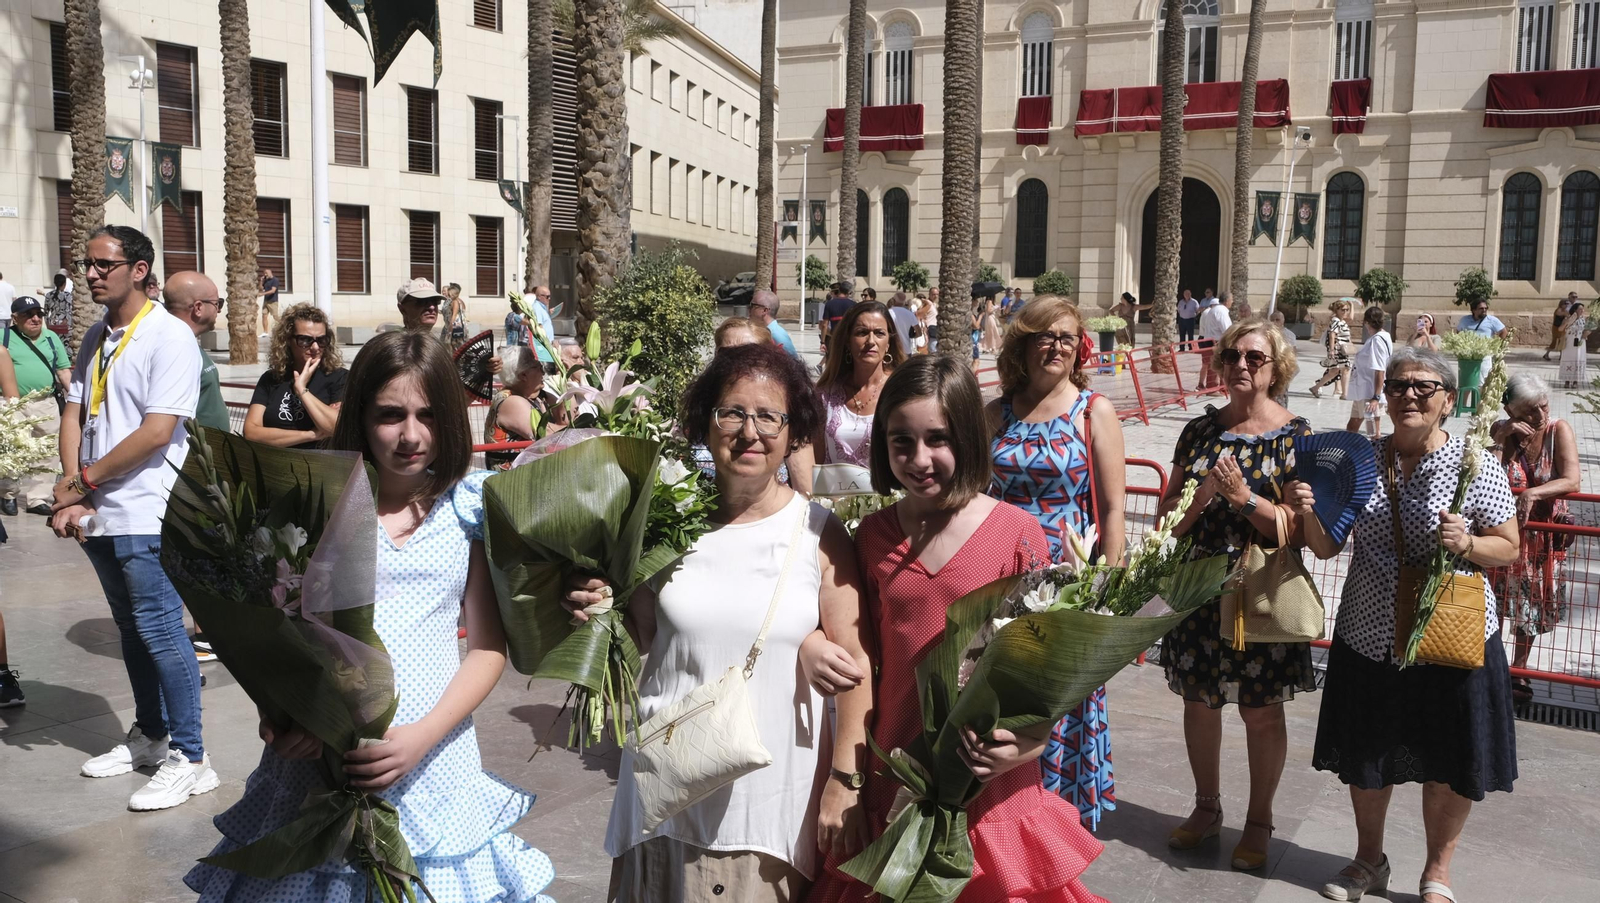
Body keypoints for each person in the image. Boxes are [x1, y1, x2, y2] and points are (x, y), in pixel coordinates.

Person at [186, 330, 559, 901]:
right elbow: (273, 633)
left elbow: (486, 647)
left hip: (434, 754)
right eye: (390, 415)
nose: (411, 435)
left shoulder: (471, 507)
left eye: (429, 415)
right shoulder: (316, 501)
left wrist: (421, 738)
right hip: (320, 759)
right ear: (359, 414)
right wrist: (282, 716)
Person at [566, 343, 871, 900]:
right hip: (658, 796)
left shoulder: (817, 534)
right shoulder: (663, 521)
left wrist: (844, 781)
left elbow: (856, 667)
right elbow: (644, 640)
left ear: (793, 430)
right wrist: (595, 603)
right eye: (731, 412)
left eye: (768, 416)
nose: (748, 431)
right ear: (706, 423)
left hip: (760, 817)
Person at [805, 355, 1109, 903]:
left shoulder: (1017, 534)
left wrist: (1026, 747)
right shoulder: (871, 537)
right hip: (895, 774)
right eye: (901, 441)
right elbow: (857, 654)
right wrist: (810, 645)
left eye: (938, 439)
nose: (919, 459)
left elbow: (1046, 677)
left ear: (968, 436)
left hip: (989, 787)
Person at [1299, 346, 1519, 903]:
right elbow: (1326, 548)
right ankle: (1369, 861)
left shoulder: (1476, 465)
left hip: (1452, 639)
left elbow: (1509, 547)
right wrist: (1308, 511)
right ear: (1385, 394)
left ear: (1447, 400)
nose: (1410, 396)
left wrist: (1468, 542)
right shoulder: (1361, 462)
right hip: (1370, 635)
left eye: (1424, 387)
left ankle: (1437, 872)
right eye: (1398, 386)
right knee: (1369, 754)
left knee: (1447, 758)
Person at [49, 225, 214, 810]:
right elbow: (75, 413)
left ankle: (192, 758)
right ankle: (150, 735)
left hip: (148, 508)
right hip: (98, 509)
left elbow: (156, 432)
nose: (89, 274)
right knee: (131, 630)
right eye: (86, 263)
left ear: (138, 269)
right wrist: (75, 492)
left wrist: (83, 483)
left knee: (164, 631)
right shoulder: (95, 335)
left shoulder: (170, 337)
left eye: (101, 264)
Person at [1158, 318, 1315, 871]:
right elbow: (1165, 520)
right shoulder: (1198, 433)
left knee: (1261, 711)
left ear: (1277, 368)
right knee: (1199, 701)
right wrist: (1202, 496)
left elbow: (1297, 529)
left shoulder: (1296, 434)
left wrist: (1244, 497)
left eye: (1255, 357)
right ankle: (1206, 808)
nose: (1241, 366)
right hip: (1198, 586)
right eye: (1232, 356)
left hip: (1258, 590)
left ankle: (1259, 821)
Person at [986, 295, 1126, 830]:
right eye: (1045, 335)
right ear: (1022, 344)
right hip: (1002, 578)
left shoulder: (1094, 411)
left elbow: (1113, 508)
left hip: (1069, 580)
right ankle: (1005, 813)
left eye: (1067, 337)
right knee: (1003, 693)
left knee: (1059, 699)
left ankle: (1058, 819)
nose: (1057, 346)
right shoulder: (995, 412)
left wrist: (1105, 592)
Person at [1489, 374, 1580, 703]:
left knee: (1531, 606)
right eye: (1530, 411)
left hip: (1542, 540)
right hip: (1504, 533)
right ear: (1511, 411)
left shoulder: (1559, 431)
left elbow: (1572, 480)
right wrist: (1501, 439)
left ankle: (1520, 670)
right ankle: (1491, 665)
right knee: (1495, 602)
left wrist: (1531, 494)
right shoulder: (1504, 432)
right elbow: (1489, 475)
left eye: (1543, 406)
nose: (1539, 416)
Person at [1, 297, 70, 516]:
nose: (35, 318)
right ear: (14, 318)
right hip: (12, 404)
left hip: (46, 404)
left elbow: (63, 371)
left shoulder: (51, 338)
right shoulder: (4, 337)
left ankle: (38, 498)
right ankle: (8, 494)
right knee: (13, 450)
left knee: (49, 451)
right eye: (28, 314)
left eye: (38, 314)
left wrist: (79, 399)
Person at [245, 303, 347, 448]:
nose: (315, 347)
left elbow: (334, 427)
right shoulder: (271, 379)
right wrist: (310, 435)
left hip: (321, 466)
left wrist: (301, 390)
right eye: (305, 340)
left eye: (321, 340)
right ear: (287, 340)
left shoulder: (339, 378)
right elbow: (251, 433)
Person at [815, 300, 903, 467]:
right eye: (862, 333)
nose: (871, 341)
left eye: (879, 333)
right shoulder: (825, 394)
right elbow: (816, 459)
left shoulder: (903, 391)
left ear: (889, 343)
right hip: (833, 492)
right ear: (848, 341)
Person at [160, 273, 229, 433]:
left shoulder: (188, 341)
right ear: (198, 308)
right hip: (192, 454)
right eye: (217, 303)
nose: (219, 310)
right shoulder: (173, 349)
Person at [1345, 306, 1392, 437]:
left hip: (1370, 393)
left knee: (1373, 433)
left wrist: (1375, 398)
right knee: (1351, 427)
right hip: (1362, 391)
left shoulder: (1377, 340)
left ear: (1366, 322)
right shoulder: (1379, 337)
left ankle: (1378, 457)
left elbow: (1380, 370)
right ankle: (1349, 455)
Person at [1310, 299, 1354, 398]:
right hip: (1338, 349)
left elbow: (1350, 318)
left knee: (1338, 370)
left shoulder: (1341, 320)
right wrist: (1332, 350)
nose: (1345, 312)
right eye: (1343, 310)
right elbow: (1332, 335)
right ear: (1337, 310)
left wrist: (1351, 305)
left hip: (1342, 349)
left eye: (1347, 310)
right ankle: (1344, 394)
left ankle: (1317, 388)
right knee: (1341, 370)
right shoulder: (1336, 321)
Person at [1196, 292, 1233, 389]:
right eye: (1231, 300)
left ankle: (1219, 387)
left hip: (1209, 340)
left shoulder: (1213, 310)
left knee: (1212, 364)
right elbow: (1226, 329)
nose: (1232, 302)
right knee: (1216, 365)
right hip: (1216, 342)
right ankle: (1214, 388)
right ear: (1227, 301)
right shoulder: (1221, 311)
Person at [749, 290, 798, 357]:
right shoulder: (767, 331)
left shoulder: (776, 335)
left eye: (753, 306)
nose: (749, 309)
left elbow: (793, 363)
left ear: (765, 310)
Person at [1557, 302, 1591, 388]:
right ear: (1575, 309)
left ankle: (1576, 381)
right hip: (1569, 342)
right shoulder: (1568, 318)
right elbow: (1560, 329)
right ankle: (1567, 381)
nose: (1582, 310)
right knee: (1568, 358)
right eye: (1580, 309)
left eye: (1583, 309)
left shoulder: (1584, 319)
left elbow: (1588, 330)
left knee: (1578, 359)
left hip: (1580, 342)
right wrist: (1567, 322)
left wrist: (1586, 334)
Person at [527, 285, 559, 367]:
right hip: (544, 346)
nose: (549, 299)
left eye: (550, 296)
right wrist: (549, 344)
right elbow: (539, 327)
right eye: (547, 297)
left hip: (547, 345)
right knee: (546, 370)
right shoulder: (537, 308)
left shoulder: (541, 307)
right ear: (539, 297)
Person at [820, 280, 854, 352]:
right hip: (849, 340)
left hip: (835, 338)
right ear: (848, 292)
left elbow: (824, 325)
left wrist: (822, 342)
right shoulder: (854, 305)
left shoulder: (829, 304)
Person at [1545, 291, 1579, 360]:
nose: (1566, 305)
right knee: (1555, 342)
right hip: (1557, 327)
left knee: (1562, 342)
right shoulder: (1559, 310)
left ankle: (1561, 356)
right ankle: (1547, 354)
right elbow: (1567, 315)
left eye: (1567, 304)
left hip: (1563, 327)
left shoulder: (1565, 310)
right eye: (1565, 304)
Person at [886, 291, 920, 355]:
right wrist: (911, 336)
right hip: (906, 349)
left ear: (894, 300)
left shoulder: (888, 313)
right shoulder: (910, 314)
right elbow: (919, 333)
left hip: (892, 349)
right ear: (904, 301)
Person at [443, 282, 467, 349]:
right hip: (458, 327)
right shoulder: (457, 301)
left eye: (449, 292)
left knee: (454, 345)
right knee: (454, 345)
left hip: (455, 327)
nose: (448, 294)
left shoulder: (455, 302)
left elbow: (454, 316)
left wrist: (450, 330)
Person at [257, 268, 279, 337]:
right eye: (264, 273)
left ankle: (284, 327)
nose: (265, 274)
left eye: (266, 273)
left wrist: (263, 294)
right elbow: (260, 289)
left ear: (270, 272)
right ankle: (265, 332)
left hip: (273, 301)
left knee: (275, 316)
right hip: (266, 301)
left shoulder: (275, 280)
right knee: (264, 316)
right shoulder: (266, 280)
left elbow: (273, 291)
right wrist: (261, 281)